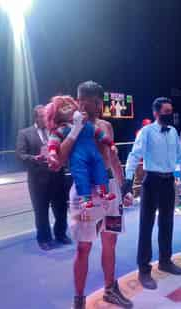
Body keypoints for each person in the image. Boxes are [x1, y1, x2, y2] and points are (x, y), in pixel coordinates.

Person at [48, 81, 132, 309]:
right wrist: (75, 129)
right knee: (83, 247)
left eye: (98, 102)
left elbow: (113, 158)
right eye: (94, 102)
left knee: (110, 241)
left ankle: (110, 290)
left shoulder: (106, 126)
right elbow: (60, 160)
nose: (98, 106)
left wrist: (124, 188)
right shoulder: (68, 127)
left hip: (109, 190)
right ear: (82, 101)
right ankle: (79, 300)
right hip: (85, 193)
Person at [122, 97, 181, 290]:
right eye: (166, 111)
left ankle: (165, 260)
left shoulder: (174, 132)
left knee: (167, 223)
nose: (169, 114)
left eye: (171, 111)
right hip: (151, 180)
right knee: (146, 225)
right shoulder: (146, 132)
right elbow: (134, 155)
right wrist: (128, 179)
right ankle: (144, 270)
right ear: (156, 113)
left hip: (169, 181)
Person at [15, 105, 71, 251]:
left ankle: (61, 234)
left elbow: (64, 150)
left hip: (58, 177)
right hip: (38, 179)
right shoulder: (25, 133)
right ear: (36, 117)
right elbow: (20, 155)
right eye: (44, 116)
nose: (48, 119)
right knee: (41, 210)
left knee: (61, 208)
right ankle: (44, 238)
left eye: (48, 116)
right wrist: (35, 158)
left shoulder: (56, 131)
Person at [132, 118, 152, 198]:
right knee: (138, 180)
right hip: (140, 160)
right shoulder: (140, 132)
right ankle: (136, 197)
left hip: (149, 161)